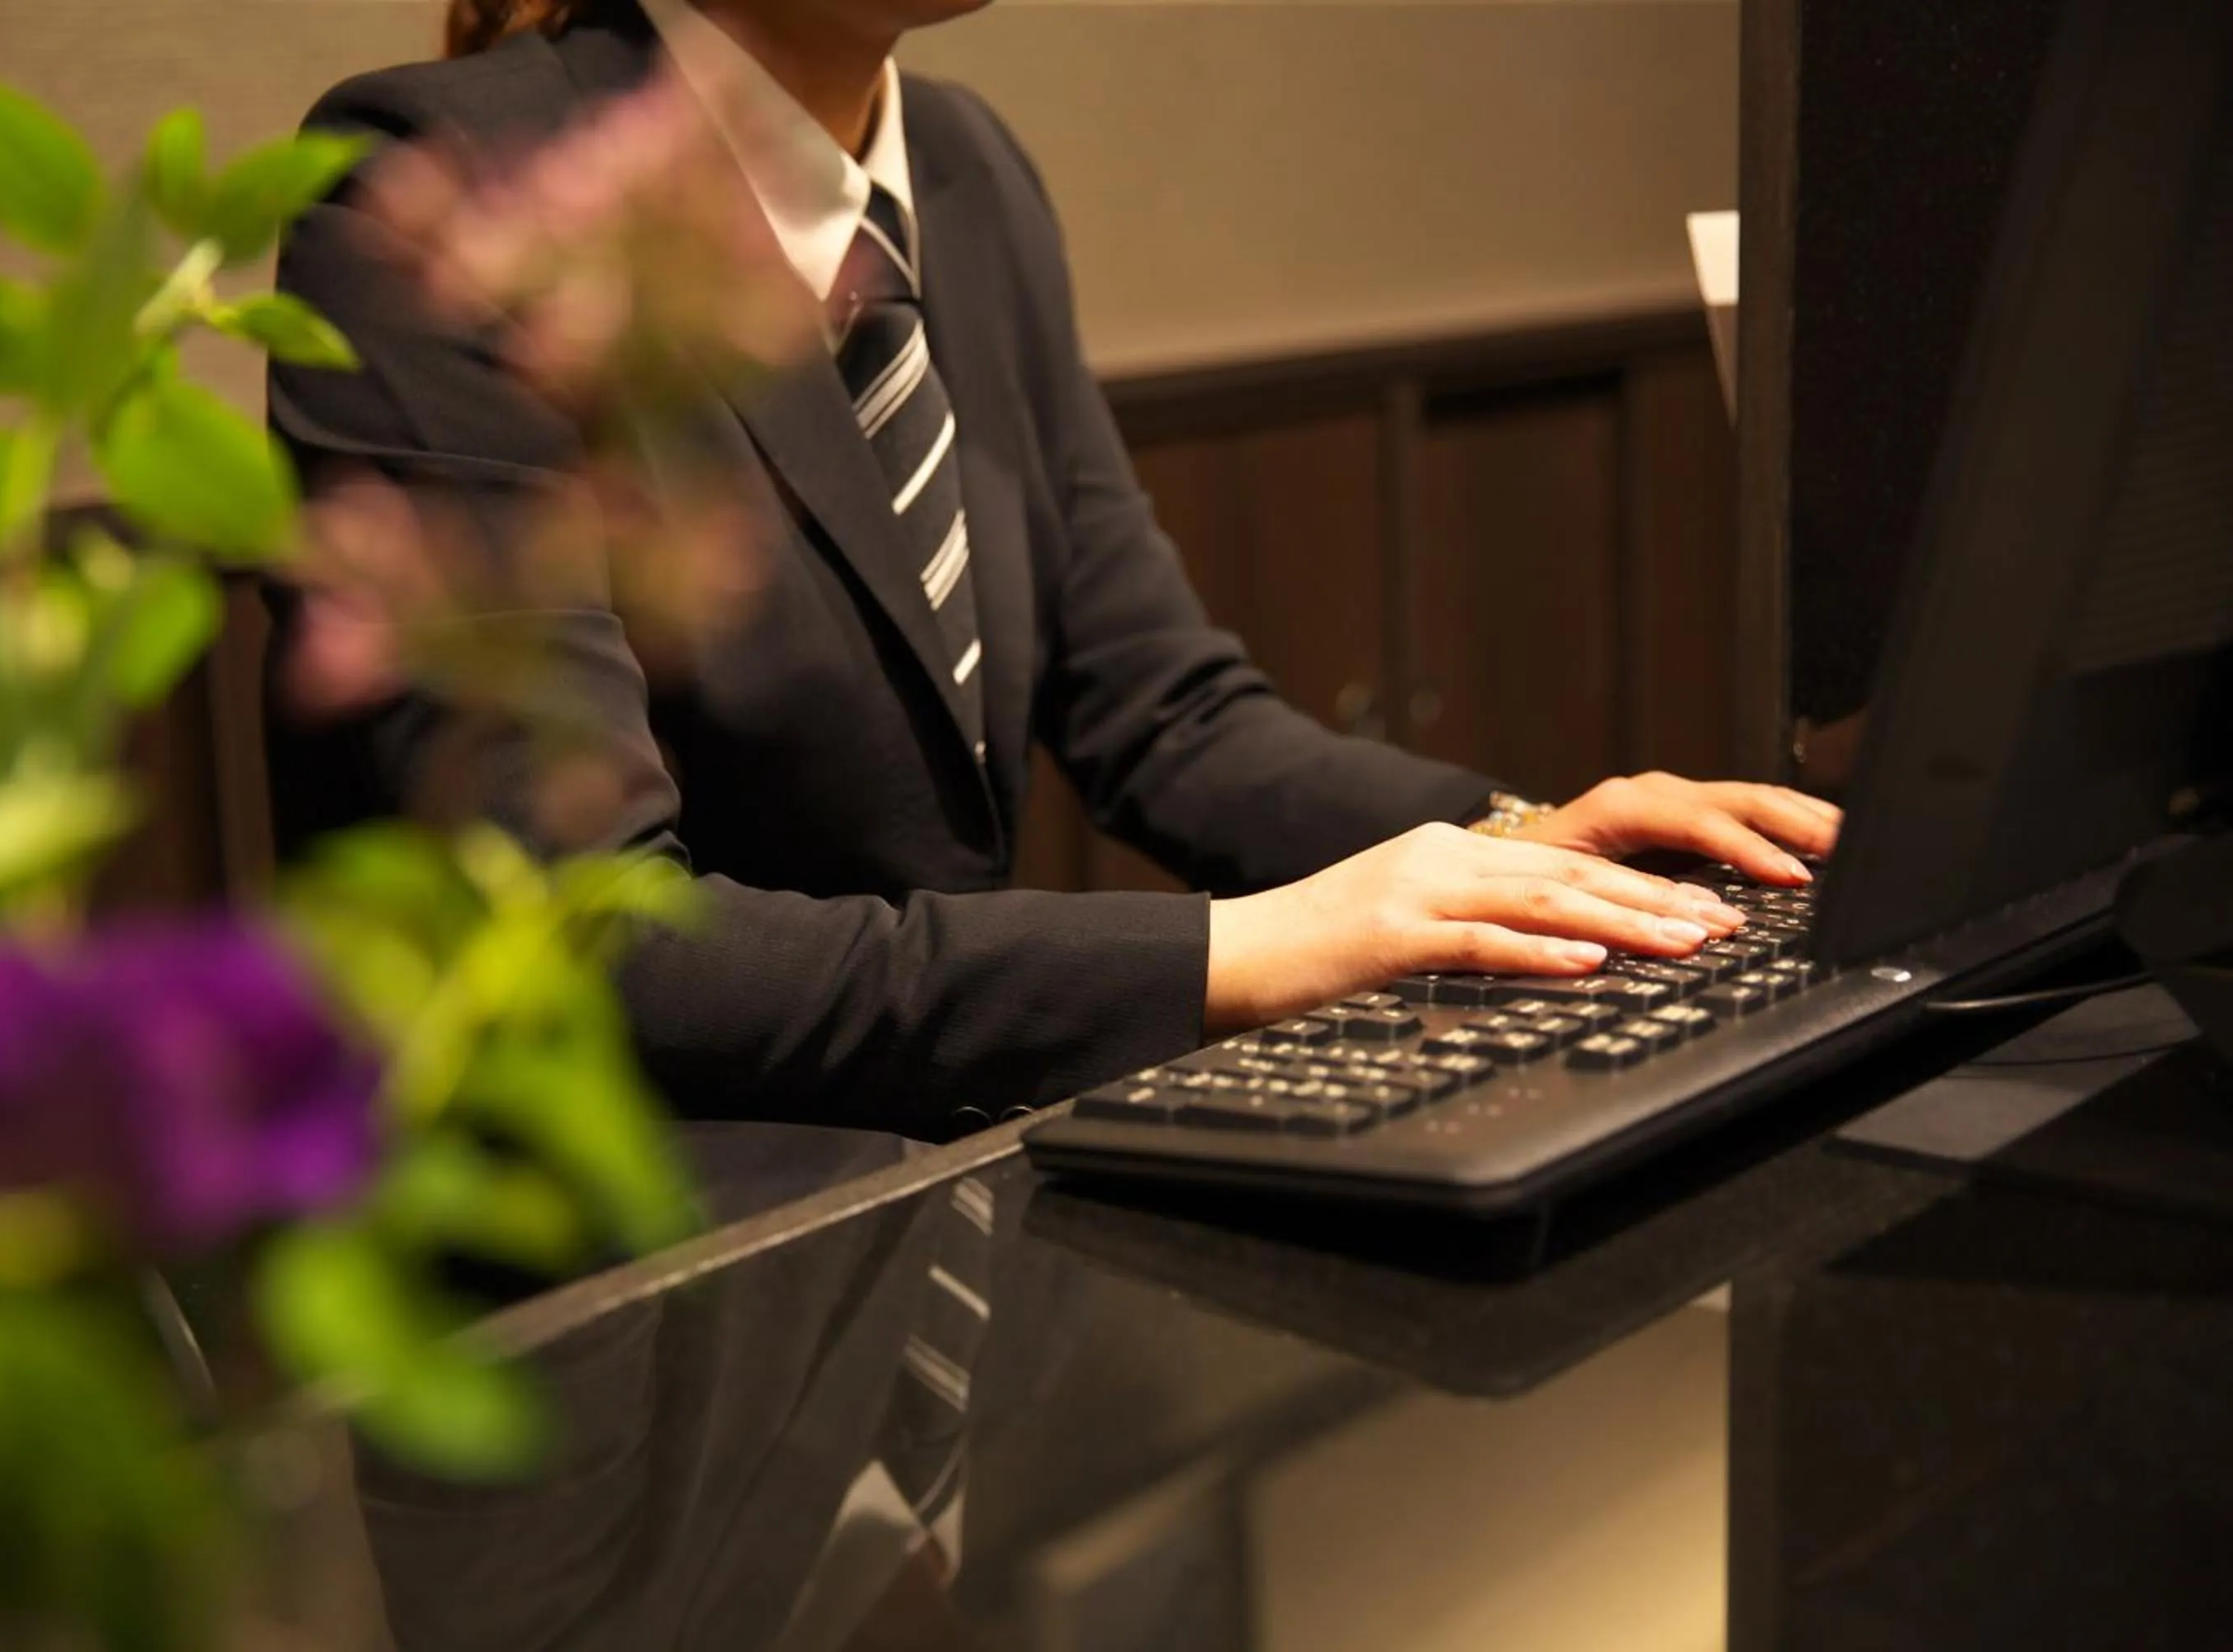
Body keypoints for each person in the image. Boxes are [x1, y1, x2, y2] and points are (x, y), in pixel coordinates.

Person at [265, 0, 1840, 1139]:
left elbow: (1169, 714)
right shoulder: (441, 190)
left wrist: (1513, 847)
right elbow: (580, 942)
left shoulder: (965, 173)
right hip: (619, 1339)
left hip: (916, 1191)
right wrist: (1246, 952)